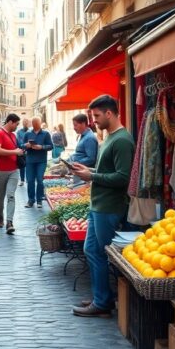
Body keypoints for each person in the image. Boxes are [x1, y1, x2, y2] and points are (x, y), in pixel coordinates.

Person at [71, 95, 135, 318]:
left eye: (97, 116)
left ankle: (104, 301)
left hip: (109, 206)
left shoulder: (123, 140)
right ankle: (102, 297)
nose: (94, 120)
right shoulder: (108, 137)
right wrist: (88, 172)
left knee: (104, 252)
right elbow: (105, 171)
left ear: (109, 113)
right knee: (92, 250)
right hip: (98, 204)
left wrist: (92, 176)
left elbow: (123, 178)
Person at [0, 113, 25, 234]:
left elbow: (15, 149)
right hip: (1, 170)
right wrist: (14, 152)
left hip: (14, 170)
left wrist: (21, 149)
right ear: (10, 122)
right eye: (16, 124)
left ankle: (9, 222)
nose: (17, 126)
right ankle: (0, 217)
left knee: (10, 195)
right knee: (0, 196)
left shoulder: (13, 135)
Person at [24, 116, 53, 209]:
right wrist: (27, 145)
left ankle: (39, 199)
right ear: (32, 124)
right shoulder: (27, 134)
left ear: (40, 123)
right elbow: (21, 145)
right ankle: (31, 200)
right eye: (33, 123)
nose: (35, 125)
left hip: (41, 161)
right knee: (30, 181)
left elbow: (51, 146)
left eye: (37, 123)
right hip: (30, 161)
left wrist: (42, 147)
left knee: (40, 180)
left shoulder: (46, 134)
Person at [16, 118, 30, 186]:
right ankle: (22, 180)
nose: (25, 124)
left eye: (26, 122)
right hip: (22, 151)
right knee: (22, 166)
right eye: (24, 122)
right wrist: (23, 147)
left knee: (29, 166)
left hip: (29, 151)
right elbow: (18, 141)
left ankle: (28, 179)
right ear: (22, 123)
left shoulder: (31, 131)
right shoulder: (19, 132)